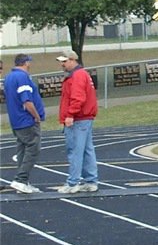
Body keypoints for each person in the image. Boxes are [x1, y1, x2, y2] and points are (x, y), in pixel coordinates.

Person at [54, 49, 99, 194]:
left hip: (79, 119)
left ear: (73, 60)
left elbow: (78, 98)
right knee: (86, 150)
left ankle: (73, 182)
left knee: (75, 150)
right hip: (85, 118)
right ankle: (91, 181)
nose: (62, 64)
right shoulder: (82, 74)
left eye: (64, 61)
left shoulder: (77, 76)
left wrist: (70, 115)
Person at [4, 53, 45, 193]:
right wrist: (36, 116)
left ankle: (23, 181)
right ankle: (21, 179)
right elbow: (26, 100)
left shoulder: (9, 77)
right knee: (33, 148)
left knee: (22, 150)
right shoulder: (22, 77)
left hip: (16, 120)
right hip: (26, 120)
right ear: (26, 63)